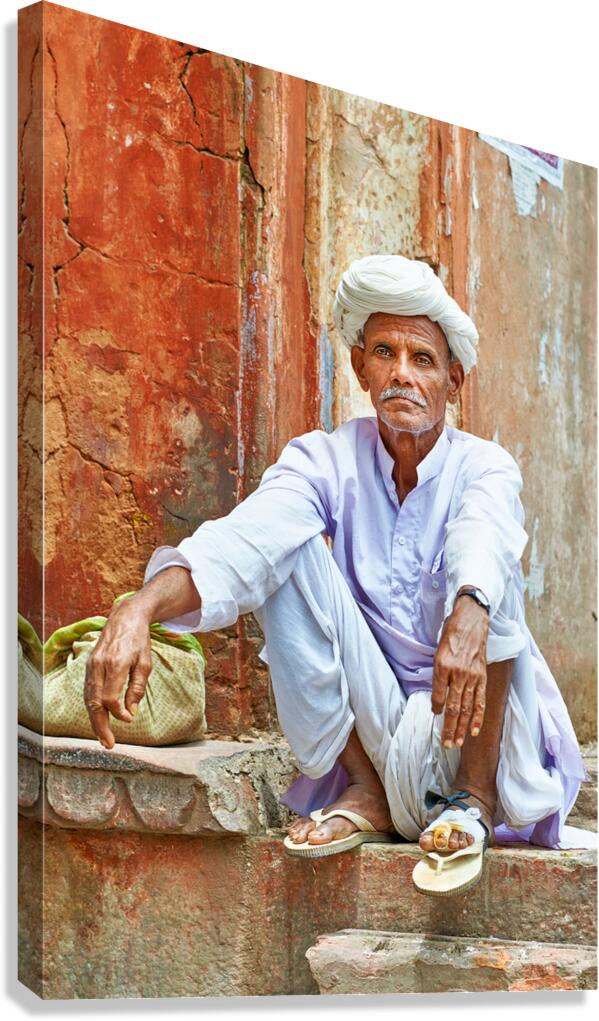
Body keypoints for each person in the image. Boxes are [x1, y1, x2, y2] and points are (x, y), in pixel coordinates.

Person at [84, 254, 590, 895]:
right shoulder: (323, 460)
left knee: (492, 578)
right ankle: (366, 790)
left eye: (423, 360)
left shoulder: (483, 466)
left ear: (453, 382)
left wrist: (469, 608)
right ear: (360, 367)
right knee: (285, 547)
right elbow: (246, 539)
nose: (402, 375)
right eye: (385, 352)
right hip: (381, 734)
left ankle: (474, 801)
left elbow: (482, 531)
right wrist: (137, 609)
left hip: (471, 733)